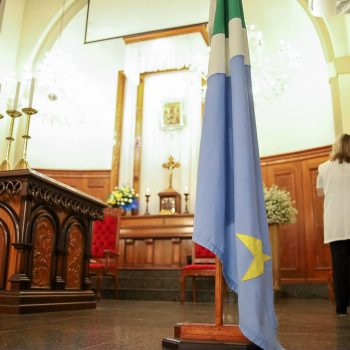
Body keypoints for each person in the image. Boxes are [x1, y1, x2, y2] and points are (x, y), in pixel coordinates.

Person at [316, 133, 350, 316]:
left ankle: (341, 307)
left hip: (335, 224)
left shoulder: (323, 168)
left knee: (339, 266)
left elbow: (321, 195)